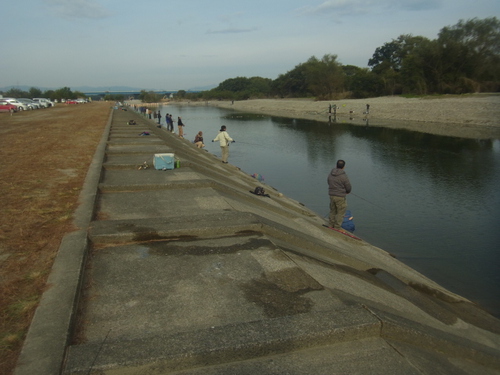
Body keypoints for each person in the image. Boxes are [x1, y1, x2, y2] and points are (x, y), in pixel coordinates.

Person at [327, 159, 352, 232]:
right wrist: (347, 191)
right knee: (340, 212)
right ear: (343, 167)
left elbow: (328, 181)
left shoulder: (331, 174)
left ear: (336, 165)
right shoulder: (343, 176)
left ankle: (330, 225)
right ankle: (337, 227)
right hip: (340, 196)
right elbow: (348, 186)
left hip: (331, 195)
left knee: (332, 210)